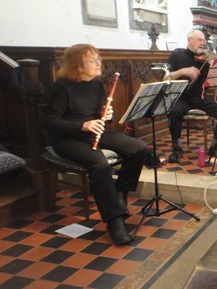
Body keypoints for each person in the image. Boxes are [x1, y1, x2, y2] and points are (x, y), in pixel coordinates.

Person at [45, 44, 148, 245]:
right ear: (78, 65)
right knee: (99, 164)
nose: (99, 63)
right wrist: (82, 125)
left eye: (98, 58)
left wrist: (108, 115)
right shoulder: (62, 87)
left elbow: (102, 115)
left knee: (139, 149)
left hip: (96, 133)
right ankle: (114, 222)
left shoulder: (96, 84)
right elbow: (50, 121)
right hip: (68, 138)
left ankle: (120, 191)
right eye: (93, 60)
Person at [164, 30, 217, 162]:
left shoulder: (205, 59)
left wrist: (213, 66)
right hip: (180, 98)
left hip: (199, 98)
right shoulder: (177, 55)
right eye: (199, 40)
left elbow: (214, 81)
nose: (202, 43)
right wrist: (184, 71)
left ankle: (215, 146)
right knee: (173, 111)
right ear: (189, 40)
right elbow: (165, 76)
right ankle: (177, 148)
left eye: (203, 41)